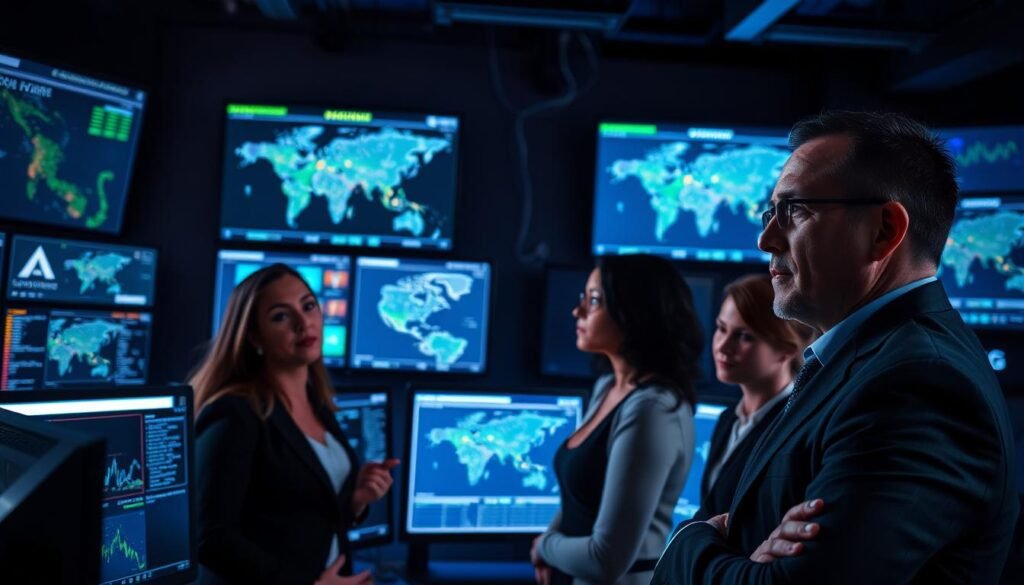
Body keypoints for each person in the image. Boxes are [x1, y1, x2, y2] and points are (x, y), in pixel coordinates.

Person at [653, 111, 1018, 584]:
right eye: (771, 213)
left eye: (795, 211)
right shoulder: (863, 360)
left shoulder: (920, 383)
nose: (766, 239)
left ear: (884, 230)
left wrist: (687, 545)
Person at [191, 264, 399, 585]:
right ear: (254, 336)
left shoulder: (316, 401)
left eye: (308, 306)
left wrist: (355, 499)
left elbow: (300, 515)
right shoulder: (235, 413)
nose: (304, 323)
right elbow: (210, 537)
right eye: (281, 316)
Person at [530, 254, 704, 585]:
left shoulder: (652, 410)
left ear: (634, 314)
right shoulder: (607, 388)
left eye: (594, 301)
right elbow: (578, 499)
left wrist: (545, 546)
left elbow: (605, 560)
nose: (577, 311)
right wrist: (549, 542)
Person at [698, 275, 816, 521]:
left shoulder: (796, 426)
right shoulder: (729, 418)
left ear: (787, 349)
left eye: (744, 336)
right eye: (721, 329)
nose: (723, 346)